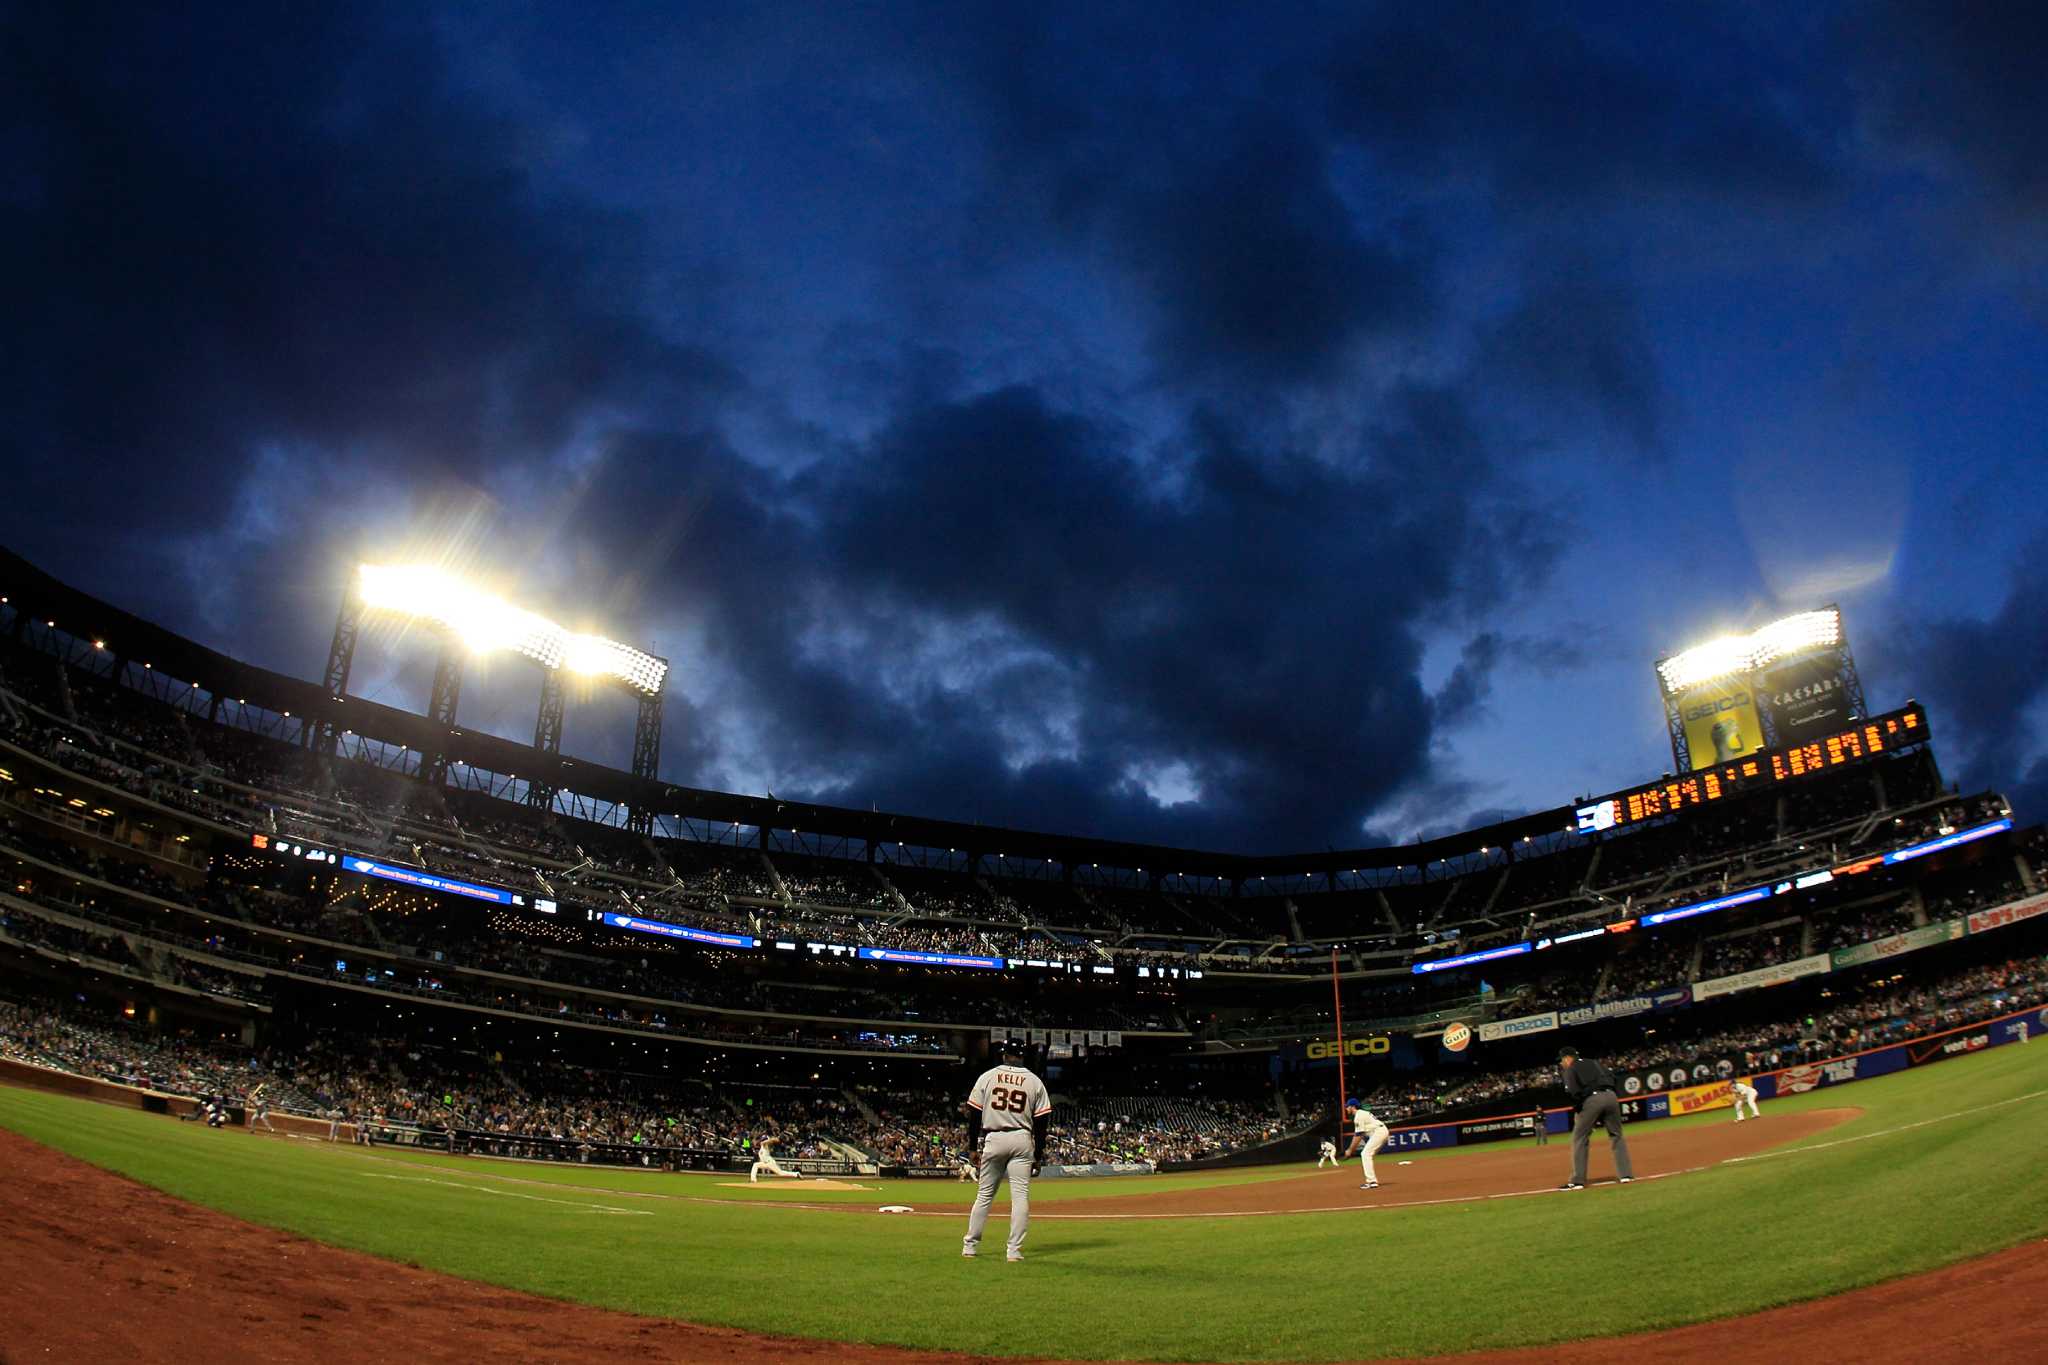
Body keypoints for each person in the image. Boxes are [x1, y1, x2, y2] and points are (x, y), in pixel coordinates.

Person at [961, 1041, 1050, 1262]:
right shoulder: (1034, 1081)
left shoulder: (988, 1076)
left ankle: (970, 1246)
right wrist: (1037, 1156)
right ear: (1023, 1057)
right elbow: (1042, 1124)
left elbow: (974, 1114)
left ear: (1004, 1055)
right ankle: (1014, 1251)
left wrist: (973, 1146)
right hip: (1022, 1138)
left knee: (984, 1196)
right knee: (1020, 1198)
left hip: (994, 1136)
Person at [1557, 1045, 1633, 1190]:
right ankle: (1626, 1175)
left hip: (1592, 1100)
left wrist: (1580, 1112)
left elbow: (1574, 1092)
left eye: (1561, 1060)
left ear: (1567, 1058)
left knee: (1579, 1138)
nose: (1561, 1063)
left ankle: (1577, 1181)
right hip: (1611, 1096)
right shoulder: (1594, 1062)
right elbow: (1613, 1077)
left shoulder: (1571, 1069)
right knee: (1616, 1135)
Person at [1343, 1098, 1390, 1190]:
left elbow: (1358, 1136)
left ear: (1353, 1107)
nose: (1346, 1109)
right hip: (1381, 1131)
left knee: (1365, 1154)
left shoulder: (1358, 1116)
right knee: (1368, 1155)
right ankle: (1372, 1180)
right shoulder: (1361, 1114)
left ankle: (1372, 1181)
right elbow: (1358, 1135)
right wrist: (1350, 1150)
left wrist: (1350, 1150)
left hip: (1379, 1132)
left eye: (1347, 1107)